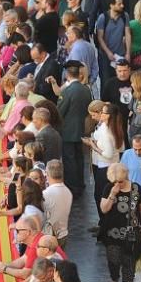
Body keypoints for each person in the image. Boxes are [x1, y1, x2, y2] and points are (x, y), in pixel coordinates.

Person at [98, 162, 141, 282]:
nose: (117, 184)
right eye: (114, 181)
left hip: (132, 234)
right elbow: (104, 209)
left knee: (129, 265)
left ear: (126, 176)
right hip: (112, 233)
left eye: (120, 181)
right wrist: (112, 194)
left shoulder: (136, 188)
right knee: (113, 263)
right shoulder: (109, 188)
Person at [56, 60, 93, 195]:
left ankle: (72, 186)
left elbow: (59, 111)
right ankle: (80, 184)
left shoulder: (67, 91)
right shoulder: (85, 90)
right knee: (79, 159)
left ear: (67, 74)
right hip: (81, 130)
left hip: (68, 131)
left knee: (69, 160)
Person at [83, 101, 124, 216]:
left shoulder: (107, 131)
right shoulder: (113, 126)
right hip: (110, 165)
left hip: (105, 167)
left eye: (103, 112)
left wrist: (93, 146)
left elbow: (108, 154)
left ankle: (105, 223)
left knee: (102, 196)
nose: (101, 114)